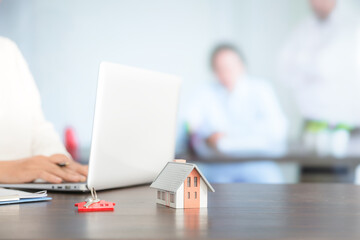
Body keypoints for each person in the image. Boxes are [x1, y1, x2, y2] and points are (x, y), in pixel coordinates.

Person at [187, 44, 287, 183]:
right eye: (219, 69)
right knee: (204, 193)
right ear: (214, 71)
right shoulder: (204, 92)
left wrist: (225, 140)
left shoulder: (261, 89)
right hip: (218, 167)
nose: (225, 73)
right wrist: (207, 138)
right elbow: (191, 127)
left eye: (229, 67)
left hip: (258, 163)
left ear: (242, 66)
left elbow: (277, 131)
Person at [0, 37, 88, 184]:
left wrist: (59, 163)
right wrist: (6, 170)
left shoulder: (7, 49)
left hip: (29, 195)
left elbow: (37, 128)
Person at [279, 0, 360, 129]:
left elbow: (324, 66)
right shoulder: (303, 28)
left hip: (347, 122)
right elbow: (285, 70)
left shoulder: (352, 23)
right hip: (311, 119)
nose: (315, 3)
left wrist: (305, 64)